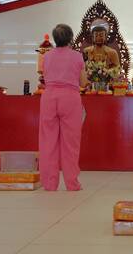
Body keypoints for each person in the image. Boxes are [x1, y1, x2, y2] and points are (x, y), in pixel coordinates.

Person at [39, 24, 89, 191]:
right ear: (71, 38)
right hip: (70, 97)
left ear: (55, 39)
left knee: (48, 141)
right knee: (70, 142)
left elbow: (45, 78)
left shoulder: (46, 56)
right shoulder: (77, 56)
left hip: (49, 97)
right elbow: (83, 82)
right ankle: (72, 183)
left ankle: (49, 183)